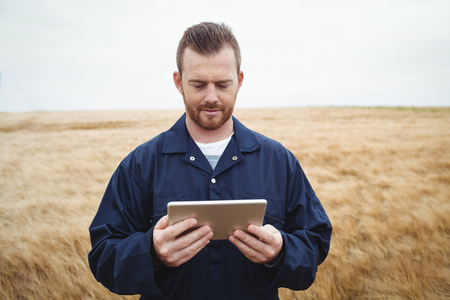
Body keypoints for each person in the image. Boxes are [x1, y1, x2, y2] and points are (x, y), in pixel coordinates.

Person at [88, 22, 332, 300]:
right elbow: (103, 258)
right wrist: (152, 253)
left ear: (239, 80)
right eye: (199, 84)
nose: (211, 97)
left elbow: (316, 242)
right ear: (178, 81)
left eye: (222, 84)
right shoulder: (141, 164)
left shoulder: (279, 161)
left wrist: (281, 252)